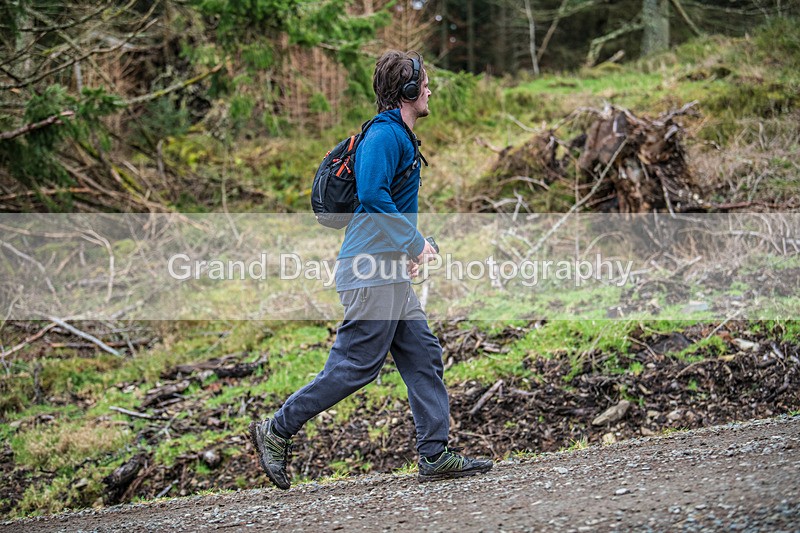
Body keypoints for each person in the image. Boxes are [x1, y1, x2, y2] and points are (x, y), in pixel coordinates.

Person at [249, 50, 493, 489]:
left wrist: (412, 250)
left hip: (389, 272)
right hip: (368, 272)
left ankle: (434, 453)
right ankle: (277, 429)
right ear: (408, 91)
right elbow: (374, 195)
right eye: (425, 84)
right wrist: (415, 243)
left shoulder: (399, 136)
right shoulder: (384, 136)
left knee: (422, 353)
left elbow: (388, 203)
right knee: (356, 365)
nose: (430, 90)